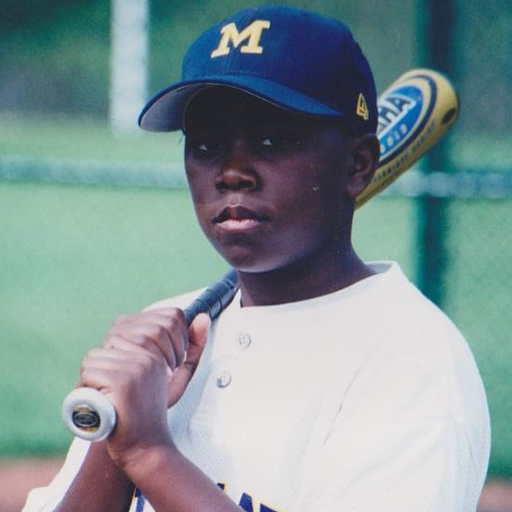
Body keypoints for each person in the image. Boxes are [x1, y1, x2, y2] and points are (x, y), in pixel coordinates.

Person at [23, 6, 490, 512]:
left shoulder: (409, 365)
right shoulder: (167, 344)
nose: (232, 171)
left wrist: (149, 453)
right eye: (206, 145)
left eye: (273, 139)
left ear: (357, 164)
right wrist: (114, 442)